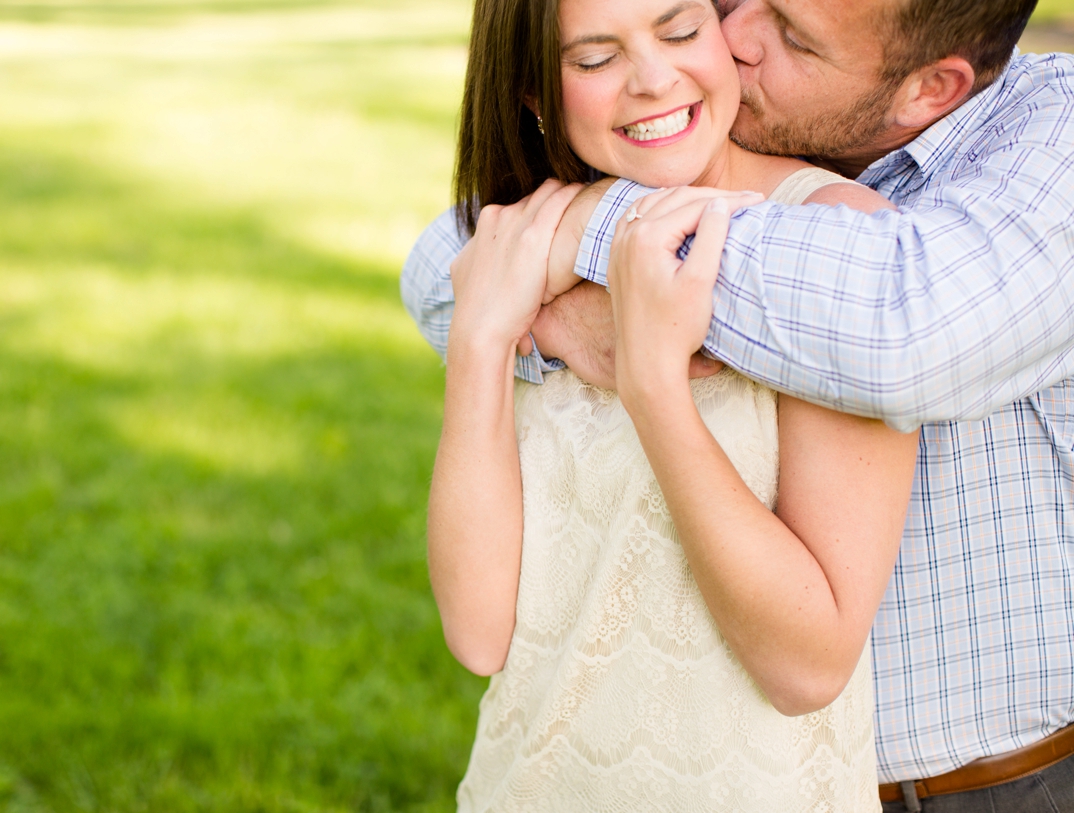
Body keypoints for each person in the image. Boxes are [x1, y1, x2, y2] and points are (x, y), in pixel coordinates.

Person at [403, 0, 1074, 808]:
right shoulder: (555, 227)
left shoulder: (861, 244)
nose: (737, 38)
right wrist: (494, 322)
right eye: (735, 3)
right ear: (537, 95)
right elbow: (479, 634)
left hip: (975, 779)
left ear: (930, 89)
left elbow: (900, 325)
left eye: (788, 36)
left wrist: (620, 300)